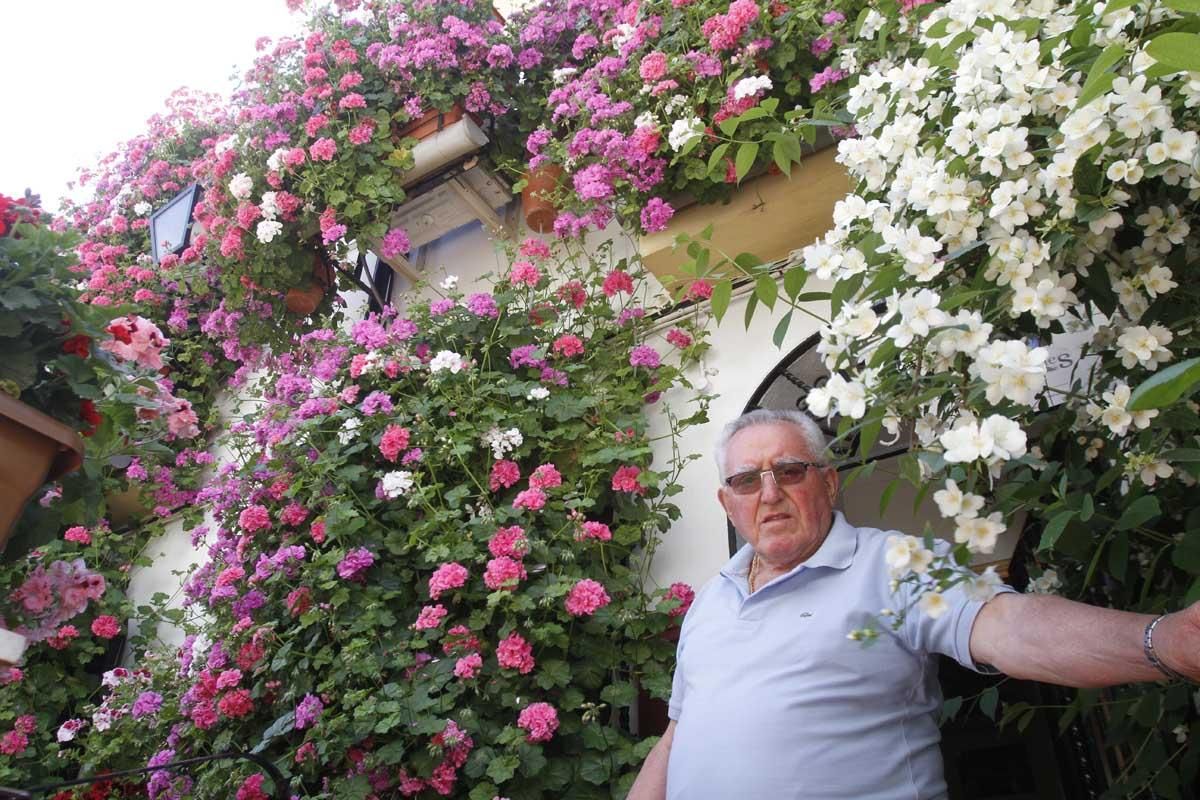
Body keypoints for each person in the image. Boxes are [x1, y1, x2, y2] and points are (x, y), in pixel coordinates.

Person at [627, 408, 1200, 800]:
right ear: (728, 504)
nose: (770, 492)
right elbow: (680, 735)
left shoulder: (893, 564)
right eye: (748, 481)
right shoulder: (710, 602)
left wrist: (1165, 640)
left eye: (790, 471)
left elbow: (1007, 626)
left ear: (828, 483)